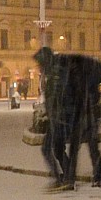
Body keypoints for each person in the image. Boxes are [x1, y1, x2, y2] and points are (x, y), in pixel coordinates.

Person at [57, 51, 101, 189]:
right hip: (89, 112)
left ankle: (71, 179)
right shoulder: (89, 72)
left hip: (81, 114)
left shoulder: (73, 74)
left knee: (76, 149)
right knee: (92, 148)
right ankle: (97, 177)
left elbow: (68, 96)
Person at [32, 45, 66, 184]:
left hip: (59, 119)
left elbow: (59, 98)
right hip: (58, 118)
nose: (39, 66)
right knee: (57, 149)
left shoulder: (55, 76)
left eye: (40, 63)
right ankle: (68, 177)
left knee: (47, 148)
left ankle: (61, 179)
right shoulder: (53, 74)